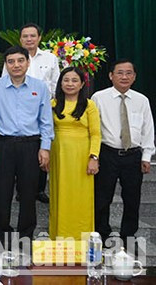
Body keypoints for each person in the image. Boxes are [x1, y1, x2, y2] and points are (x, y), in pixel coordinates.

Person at [0, 46, 53, 248]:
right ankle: (3, 236)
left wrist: (45, 147)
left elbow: (46, 120)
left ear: (28, 62)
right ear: (5, 65)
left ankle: (25, 235)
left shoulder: (40, 87)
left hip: (30, 145)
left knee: (28, 193)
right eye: (11, 61)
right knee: (2, 193)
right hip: (3, 144)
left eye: (20, 61)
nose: (16, 65)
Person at [92, 60, 155, 244]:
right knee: (102, 198)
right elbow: (94, 129)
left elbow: (148, 129)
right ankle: (102, 234)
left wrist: (146, 156)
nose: (124, 77)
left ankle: (128, 236)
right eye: (120, 73)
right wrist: (94, 155)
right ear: (111, 75)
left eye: (129, 73)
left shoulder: (142, 100)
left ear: (134, 77)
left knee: (132, 198)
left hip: (133, 155)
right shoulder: (99, 97)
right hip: (107, 154)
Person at [2, 23, 60, 203]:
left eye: (32, 36)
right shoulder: (12, 59)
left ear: (39, 38)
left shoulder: (50, 58)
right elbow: (5, 82)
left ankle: (39, 189)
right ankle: (21, 189)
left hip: (43, 107)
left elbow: (56, 84)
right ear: (20, 39)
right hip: (17, 109)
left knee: (40, 150)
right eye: (25, 36)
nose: (29, 39)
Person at [49, 67, 100, 240]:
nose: (70, 84)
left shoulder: (89, 105)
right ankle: (59, 239)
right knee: (60, 198)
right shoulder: (53, 104)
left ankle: (82, 241)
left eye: (74, 80)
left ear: (82, 84)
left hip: (81, 157)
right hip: (59, 156)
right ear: (60, 83)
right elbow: (47, 131)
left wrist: (94, 157)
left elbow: (96, 134)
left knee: (81, 200)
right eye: (66, 80)